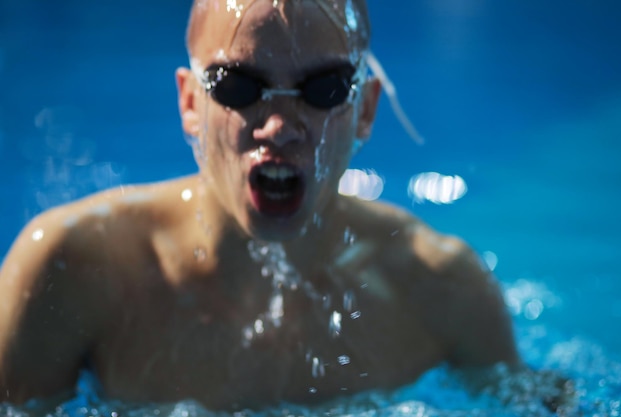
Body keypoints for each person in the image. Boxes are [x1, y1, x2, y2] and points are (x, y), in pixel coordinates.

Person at [0, 0, 538, 412]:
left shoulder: (444, 291)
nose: (279, 127)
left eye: (324, 88)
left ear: (366, 110)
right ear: (190, 103)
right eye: (238, 85)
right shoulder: (75, 269)